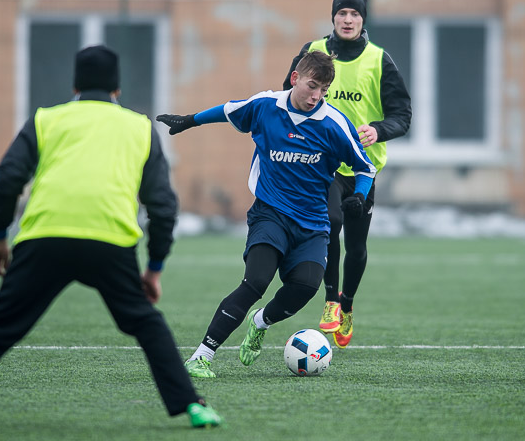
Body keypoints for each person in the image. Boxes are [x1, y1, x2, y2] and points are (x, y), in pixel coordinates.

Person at [0, 45, 222, 428]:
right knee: (147, 324)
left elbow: (6, 181)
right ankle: (192, 405)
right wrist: (154, 269)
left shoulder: (45, 120)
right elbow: (163, 207)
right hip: (110, 244)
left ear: (75, 85)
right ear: (117, 89)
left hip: (44, 238)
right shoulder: (139, 127)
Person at [156, 50, 376, 378]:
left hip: (313, 224)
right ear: (295, 78)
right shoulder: (266, 106)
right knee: (256, 282)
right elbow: (228, 110)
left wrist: (358, 194)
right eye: (312, 86)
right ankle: (201, 356)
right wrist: (190, 120)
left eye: (323, 90)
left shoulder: (334, 123)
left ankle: (260, 322)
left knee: (306, 286)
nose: (316, 96)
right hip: (270, 214)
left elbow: (366, 168)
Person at [282, 0, 411, 348]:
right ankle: (330, 300)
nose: (348, 20)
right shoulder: (313, 52)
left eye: (355, 14)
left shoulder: (379, 59)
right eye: (342, 13)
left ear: (363, 19)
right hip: (321, 163)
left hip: (362, 167)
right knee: (330, 222)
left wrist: (379, 130)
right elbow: (287, 96)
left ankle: (347, 304)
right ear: (333, 17)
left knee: (356, 245)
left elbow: (403, 115)